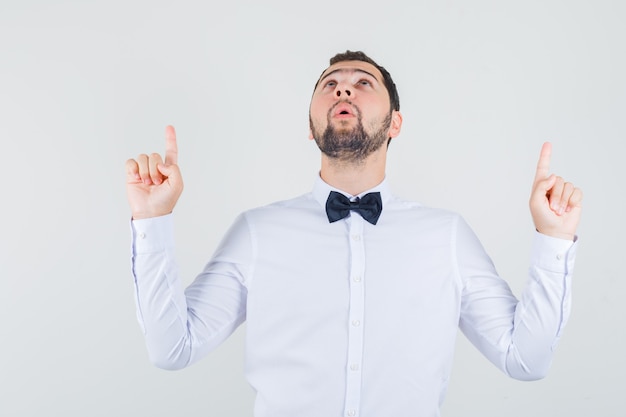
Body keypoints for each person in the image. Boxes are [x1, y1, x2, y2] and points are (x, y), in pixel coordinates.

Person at [125, 50, 582, 417]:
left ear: (395, 124)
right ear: (310, 127)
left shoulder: (446, 236)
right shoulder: (257, 232)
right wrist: (152, 222)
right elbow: (173, 348)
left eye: (363, 82)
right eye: (330, 84)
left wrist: (553, 239)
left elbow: (526, 359)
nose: (343, 87)